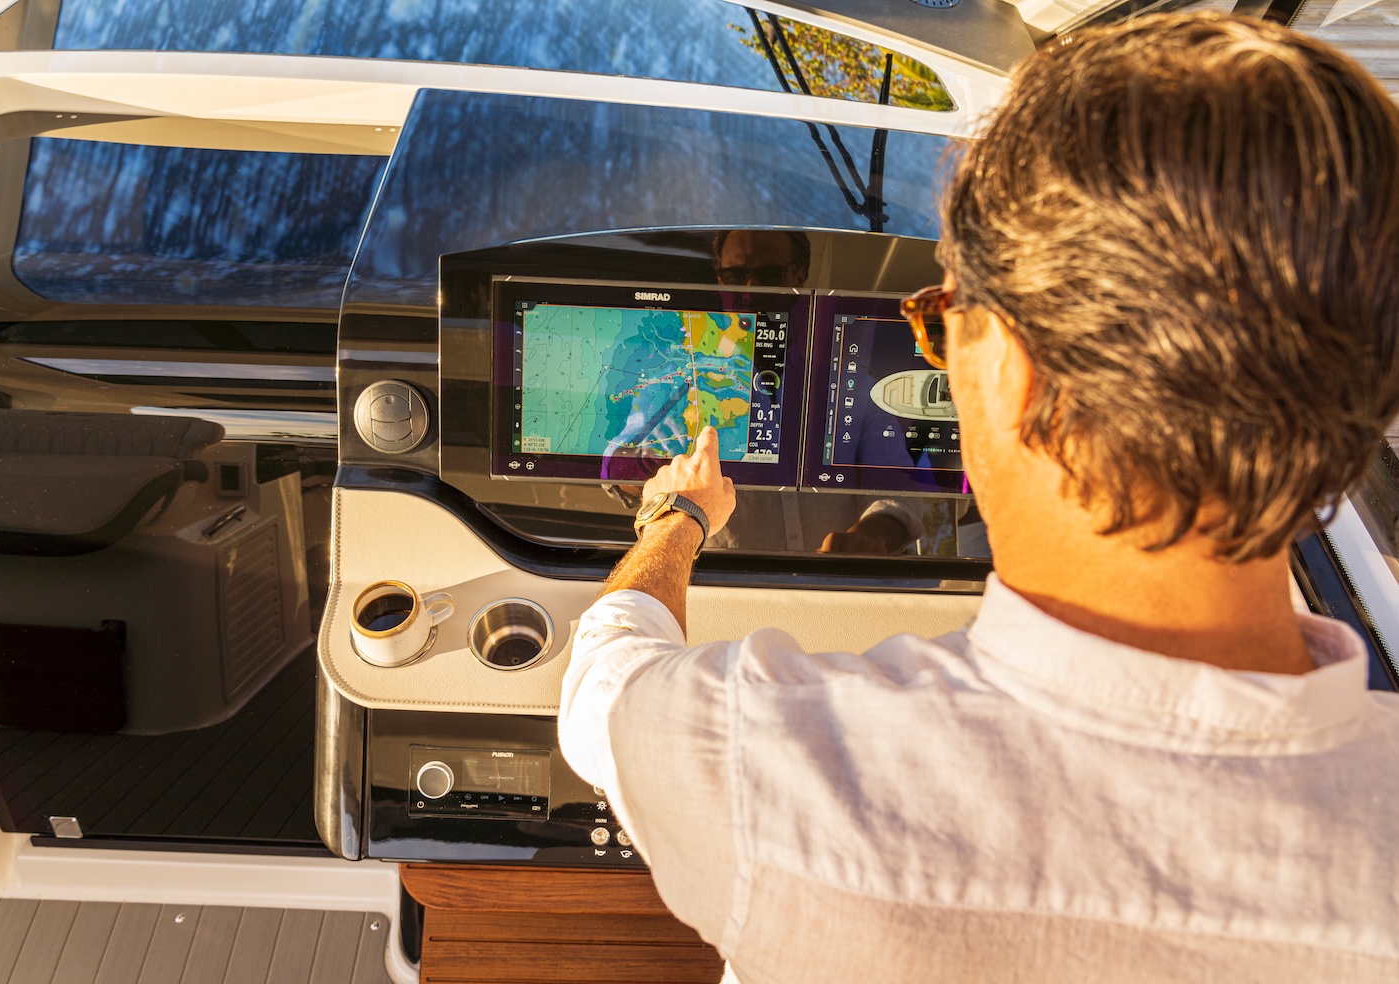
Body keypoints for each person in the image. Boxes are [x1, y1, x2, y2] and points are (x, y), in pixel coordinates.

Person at [558, 13, 1399, 983]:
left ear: (1009, 365)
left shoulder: (766, 764)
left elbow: (604, 685)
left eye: (939, 318)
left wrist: (679, 518)